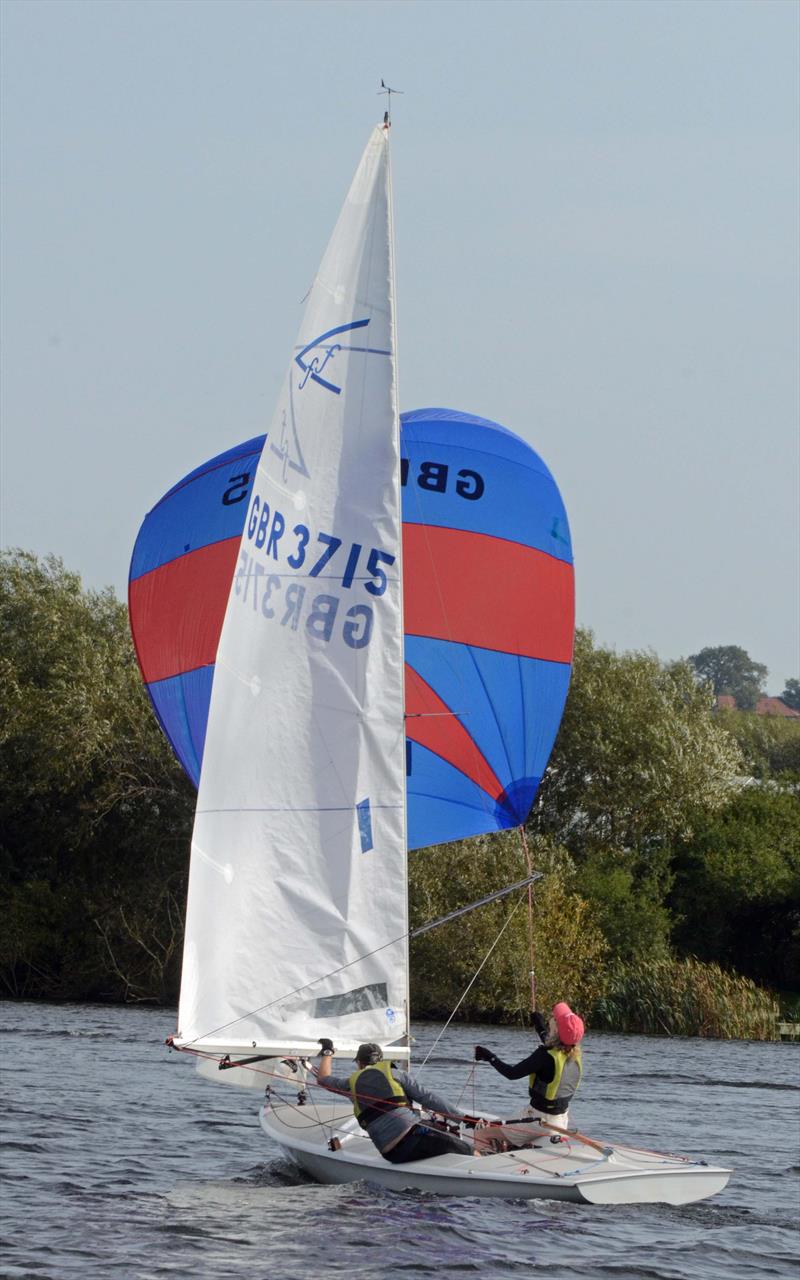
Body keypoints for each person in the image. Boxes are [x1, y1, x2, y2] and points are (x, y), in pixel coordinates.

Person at [313, 1039, 473, 1163]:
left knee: (437, 1134)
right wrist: (465, 1119)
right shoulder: (397, 1075)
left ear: (359, 1063)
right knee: (470, 1150)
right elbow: (428, 1099)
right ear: (381, 1060)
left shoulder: (351, 1083)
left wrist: (328, 1052)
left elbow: (322, 1079)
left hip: (391, 1154)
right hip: (412, 1139)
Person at [472, 1001, 585, 1154]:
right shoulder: (573, 1054)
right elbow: (551, 1043)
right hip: (560, 1120)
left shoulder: (544, 1056)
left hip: (538, 1121)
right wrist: (539, 1026)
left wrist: (489, 1057)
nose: (551, 1019)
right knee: (502, 1131)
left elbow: (512, 1073)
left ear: (557, 1028)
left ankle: (487, 1167)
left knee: (481, 1134)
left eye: (554, 1018)